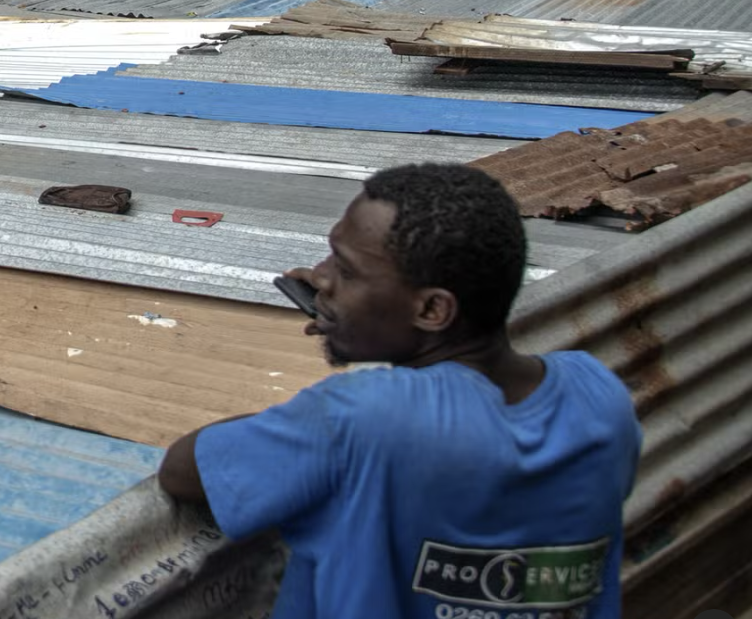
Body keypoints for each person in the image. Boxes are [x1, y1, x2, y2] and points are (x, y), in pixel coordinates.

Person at [158, 164, 641, 619]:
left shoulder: (361, 417)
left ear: (432, 310)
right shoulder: (600, 395)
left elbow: (183, 469)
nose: (321, 278)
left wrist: (331, 396)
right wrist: (367, 321)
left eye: (346, 271)